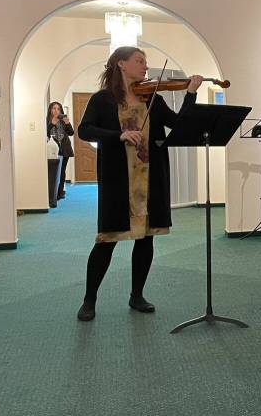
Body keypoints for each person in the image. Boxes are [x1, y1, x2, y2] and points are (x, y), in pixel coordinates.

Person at [75, 46, 202, 322]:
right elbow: (84, 130)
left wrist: (191, 93)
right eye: (139, 61)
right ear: (121, 64)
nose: (145, 66)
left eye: (146, 61)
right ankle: (89, 299)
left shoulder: (153, 98)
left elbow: (179, 124)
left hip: (150, 178)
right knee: (107, 240)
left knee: (146, 238)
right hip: (118, 180)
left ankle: (137, 295)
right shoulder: (102, 99)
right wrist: (118, 135)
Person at [47, 101, 75, 202]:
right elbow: (45, 133)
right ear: (50, 110)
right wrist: (52, 124)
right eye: (54, 108)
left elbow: (71, 133)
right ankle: (52, 193)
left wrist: (68, 123)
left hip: (65, 148)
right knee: (53, 172)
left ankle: (60, 192)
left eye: (58, 109)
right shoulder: (47, 120)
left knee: (62, 171)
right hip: (53, 149)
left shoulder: (63, 120)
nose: (56, 111)